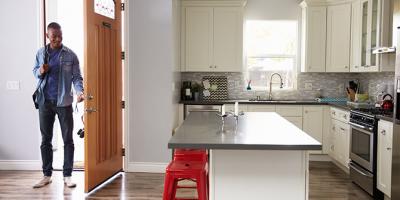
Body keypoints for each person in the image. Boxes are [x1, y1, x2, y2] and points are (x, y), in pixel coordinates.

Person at [32, 22, 84, 188]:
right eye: (54, 35)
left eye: (60, 35)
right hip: (44, 101)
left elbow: (77, 77)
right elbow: (34, 71)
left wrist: (79, 92)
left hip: (64, 102)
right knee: (45, 140)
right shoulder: (41, 53)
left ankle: (67, 175)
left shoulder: (71, 55)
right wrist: (40, 71)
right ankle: (47, 175)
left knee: (67, 139)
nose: (57, 38)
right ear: (47, 36)